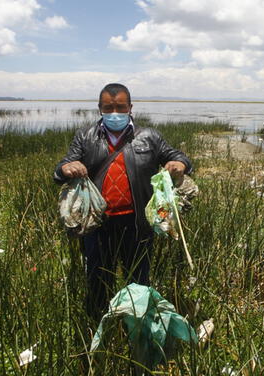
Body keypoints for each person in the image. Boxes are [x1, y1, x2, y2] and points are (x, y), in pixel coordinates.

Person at [54, 83, 192, 322]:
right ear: (100, 109)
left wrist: (180, 165)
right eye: (109, 108)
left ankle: (137, 325)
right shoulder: (85, 137)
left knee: (138, 279)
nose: (114, 113)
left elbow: (177, 156)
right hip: (97, 225)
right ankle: (99, 324)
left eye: (120, 107)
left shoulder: (150, 137)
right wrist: (66, 168)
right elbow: (61, 169)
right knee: (97, 278)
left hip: (137, 225)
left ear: (130, 107)